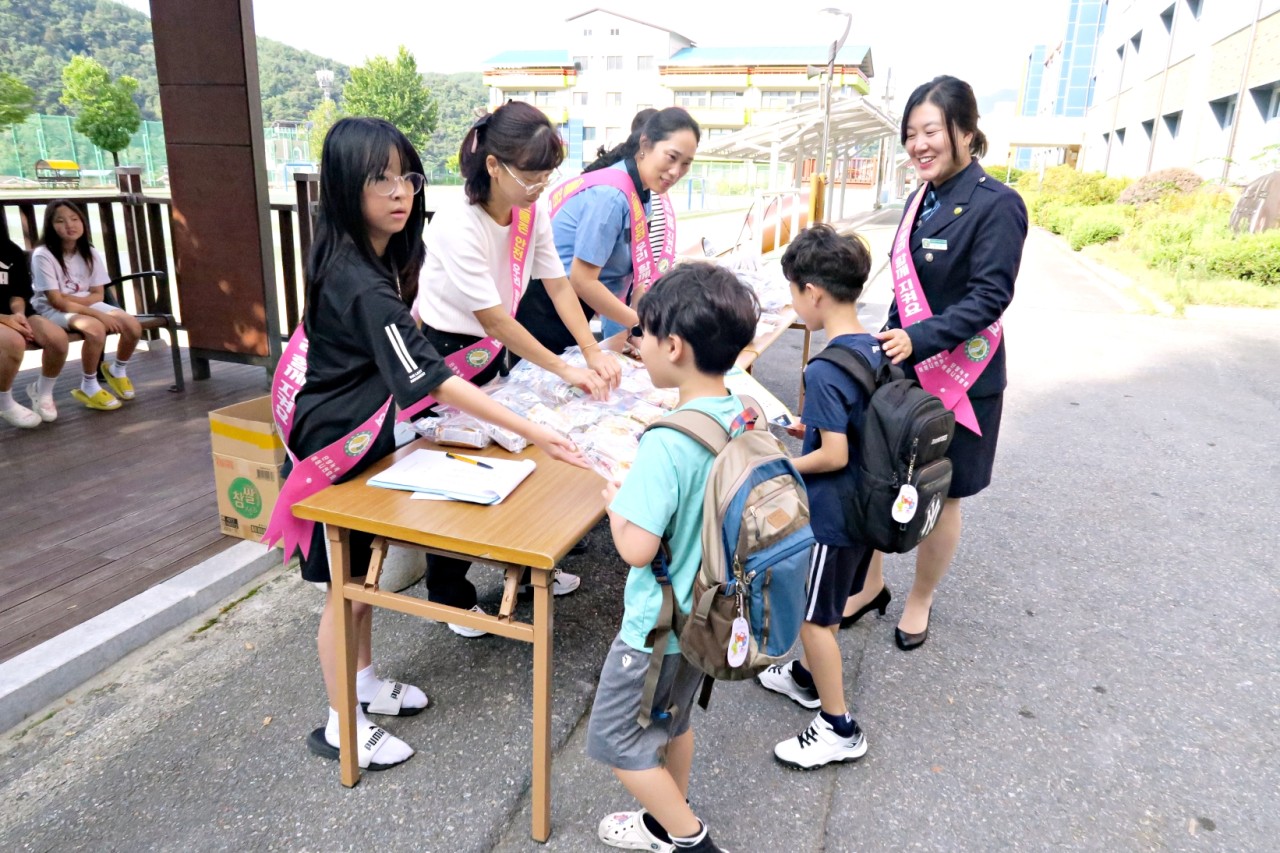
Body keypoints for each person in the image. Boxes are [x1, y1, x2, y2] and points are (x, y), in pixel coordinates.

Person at [277, 116, 586, 772]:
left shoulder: (371, 253)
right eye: (378, 179)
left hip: (366, 432)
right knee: (343, 588)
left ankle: (359, 684)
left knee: (359, 579)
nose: (400, 193)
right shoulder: (358, 278)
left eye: (407, 177)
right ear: (342, 185)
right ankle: (341, 724)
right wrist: (537, 430)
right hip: (336, 445)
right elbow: (433, 376)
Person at [417, 101, 621, 634]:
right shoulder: (457, 224)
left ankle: (519, 567)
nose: (538, 185)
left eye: (547, 174)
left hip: (488, 353)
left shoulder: (532, 214)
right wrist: (566, 368)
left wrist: (592, 348)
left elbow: (557, 284)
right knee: (457, 469)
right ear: (492, 165)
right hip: (447, 353)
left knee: (509, 460)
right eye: (529, 174)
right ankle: (450, 597)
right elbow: (496, 320)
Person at [842, 75, 1027, 650]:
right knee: (877, 478)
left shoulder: (998, 205)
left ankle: (919, 598)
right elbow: (906, 290)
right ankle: (870, 586)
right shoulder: (919, 198)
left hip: (963, 381)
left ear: (966, 132)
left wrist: (918, 338)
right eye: (911, 134)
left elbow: (990, 296)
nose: (919, 144)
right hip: (903, 372)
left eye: (932, 131)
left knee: (941, 493)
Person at [589, 262, 758, 853]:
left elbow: (636, 547)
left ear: (675, 346)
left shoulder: (667, 441)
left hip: (657, 629)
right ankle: (665, 823)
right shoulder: (740, 413)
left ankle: (689, 838)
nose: (638, 344)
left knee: (615, 740)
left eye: (643, 333)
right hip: (708, 614)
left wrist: (617, 504)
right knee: (673, 720)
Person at [754, 224, 877, 768]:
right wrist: (818, 431)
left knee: (814, 618)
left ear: (814, 293)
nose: (793, 302)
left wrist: (777, 466)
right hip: (870, 506)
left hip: (834, 515)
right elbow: (854, 430)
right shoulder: (878, 345)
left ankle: (837, 726)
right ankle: (804, 677)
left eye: (793, 290)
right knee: (826, 607)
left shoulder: (825, 367)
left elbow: (833, 457)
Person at [516, 107, 700, 354]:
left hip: (579, 308)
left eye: (686, 164)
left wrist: (630, 333)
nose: (676, 172)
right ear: (645, 144)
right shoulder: (611, 196)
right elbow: (583, 281)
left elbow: (627, 275)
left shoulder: (642, 191)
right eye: (671, 157)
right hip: (549, 311)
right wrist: (641, 326)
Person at [30, 200, 141, 411]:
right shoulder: (43, 254)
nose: (69, 225)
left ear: (82, 222)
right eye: (60, 221)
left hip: (80, 304)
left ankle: (118, 370)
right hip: (50, 311)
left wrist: (73, 300)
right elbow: (56, 301)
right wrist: (95, 313)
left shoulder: (89, 251)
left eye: (74, 219)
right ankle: (89, 385)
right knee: (95, 329)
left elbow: (98, 293)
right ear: (50, 226)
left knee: (133, 326)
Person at [0, 234, 68, 428]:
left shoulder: (9, 250)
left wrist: (18, 314)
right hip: (3, 319)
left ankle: (42, 391)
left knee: (58, 339)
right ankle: (4, 402)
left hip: (15, 313)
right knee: (14, 343)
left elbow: (19, 293)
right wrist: (6, 320)